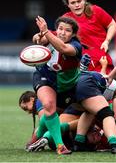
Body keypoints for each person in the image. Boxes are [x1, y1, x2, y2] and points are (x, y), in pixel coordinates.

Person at [31, 15, 82, 155]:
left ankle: (34, 138)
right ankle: (61, 146)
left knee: (50, 113)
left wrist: (46, 32)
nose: (62, 32)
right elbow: (39, 38)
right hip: (45, 76)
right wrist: (38, 37)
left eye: (67, 30)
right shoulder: (51, 34)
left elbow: (64, 49)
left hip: (67, 86)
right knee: (48, 105)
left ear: (73, 34)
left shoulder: (76, 46)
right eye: (60, 29)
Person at [62, 0, 116, 74]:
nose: (77, 5)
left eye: (79, 1)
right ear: (68, 5)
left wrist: (107, 41)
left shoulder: (96, 10)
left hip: (101, 63)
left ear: (84, 0)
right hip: (79, 67)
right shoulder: (65, 19)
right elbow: (58, 38)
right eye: (73, 3)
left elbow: (112, 25)